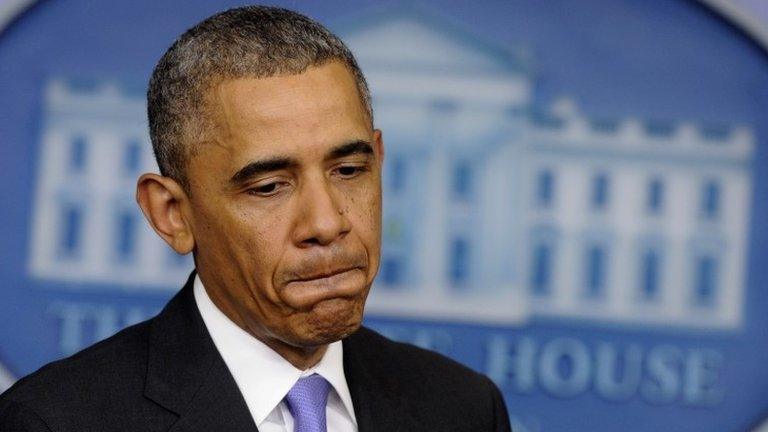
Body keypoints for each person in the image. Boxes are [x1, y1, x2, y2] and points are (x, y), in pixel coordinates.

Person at [0, 6, 511, 431]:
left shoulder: (462, 409)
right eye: (269, 187)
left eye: (350, 169)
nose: (327, 222)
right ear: (172, 214)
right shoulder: (57, 421)